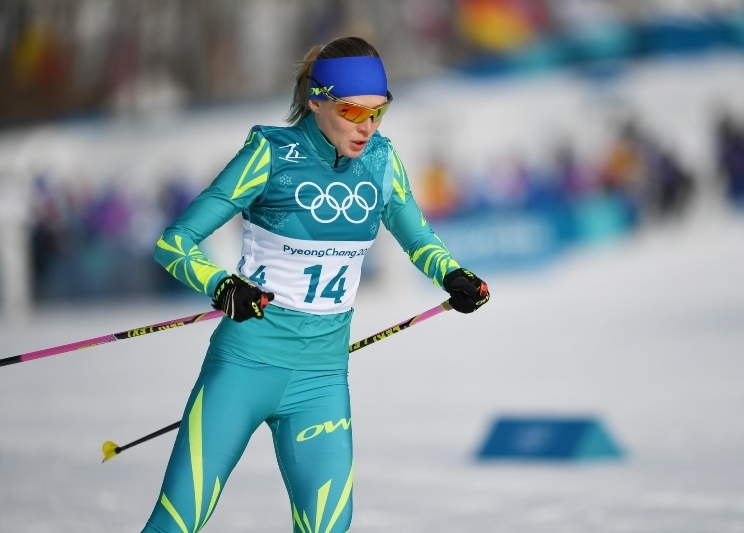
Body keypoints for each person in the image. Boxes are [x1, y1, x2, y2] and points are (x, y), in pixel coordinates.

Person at [142, 36, 489, 533]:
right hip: (244, 366)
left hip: (321, 379)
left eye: (379, 111)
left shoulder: (381, 162)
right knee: (177, 521)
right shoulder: (270, 154)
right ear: (317, 100)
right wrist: (221, 285)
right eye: (353, 111)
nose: (367, 127)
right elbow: (174, 242)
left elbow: (417, 238)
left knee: (329, 525)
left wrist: (452, 274)